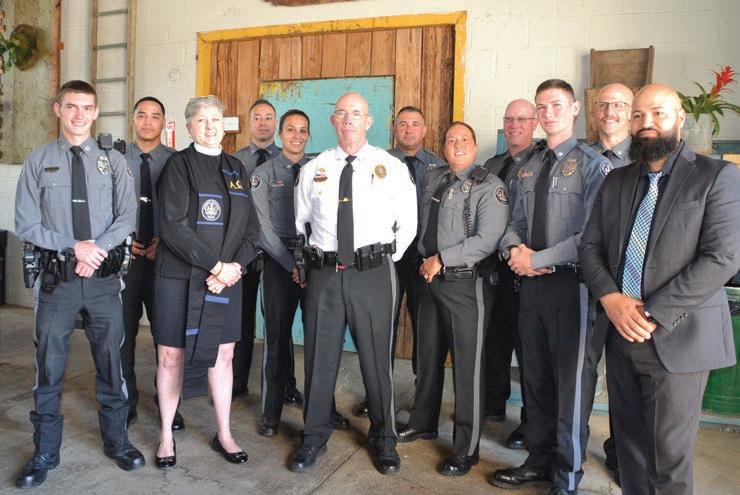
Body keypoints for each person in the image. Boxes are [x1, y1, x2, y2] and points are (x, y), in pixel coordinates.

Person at [579, 83, 740, 495]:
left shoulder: (716, 176)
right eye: (638, 115)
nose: (646, 122)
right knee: (628, 451)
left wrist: (649, 312)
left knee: (668, 458)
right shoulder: (617, 181)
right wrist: (612, 300)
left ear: (680, 118)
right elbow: (591, 247)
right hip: (621, 334)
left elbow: (722, 258)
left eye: (658, 113)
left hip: (678, 337)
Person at [14, 80, 144, 488]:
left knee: (111, 363)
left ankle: (117, 440)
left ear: (96, 112)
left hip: (103, 281)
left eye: (87, 108)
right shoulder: (38, 161)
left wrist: (96, 250)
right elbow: (26, 224)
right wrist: (74, 247)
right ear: (58, 110)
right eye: (71, 106)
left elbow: (127, 216)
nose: (79, 115)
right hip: (58, 283)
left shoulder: (113, 161)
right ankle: (45, 451)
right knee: (49, 368)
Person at [490, 79, 610, 495]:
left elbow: (592, 235)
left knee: (570, 387)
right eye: (541, 107)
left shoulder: (593, 165)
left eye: (557, 105)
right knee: (536, 377)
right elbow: (514, 222)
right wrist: (514, 251)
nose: (548, 113)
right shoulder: (531, 164)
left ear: (574, 109)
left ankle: (566, 476)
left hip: (571, 289)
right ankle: (538, 460)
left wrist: (536, 260)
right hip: (531, 288)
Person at [291, 92, 416, 475]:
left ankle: (384, 439)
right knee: (319, 357)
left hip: (372, 273)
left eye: (356, 113)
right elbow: (301, 221)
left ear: (369, 121)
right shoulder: (315, 168)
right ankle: (313, 436)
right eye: (342, 113)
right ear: (333, 121)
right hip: (325, 274)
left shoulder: (390, 166)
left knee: (377, 361)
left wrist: (380, 260)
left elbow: (408, 223)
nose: (348, 120)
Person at [397, 122, 509, 476]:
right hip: (428, 281)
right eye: (450, 140)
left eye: (464, 139)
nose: (457, 144)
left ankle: (466, 449)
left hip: (465, 285)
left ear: (474, 146)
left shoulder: (490, 186)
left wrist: (442, 259)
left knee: (467, 368)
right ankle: (423, 422)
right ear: (442, 146)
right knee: (427, 357)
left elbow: (488, 239)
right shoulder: (433, 178)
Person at [153, 95, 256, 468]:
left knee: (223, 355)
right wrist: (216, 266)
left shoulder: (236, 168)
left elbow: (252, 230)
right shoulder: (178, 166)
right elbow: (173, 227)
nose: (210, 126)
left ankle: (224, 432)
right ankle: (166, 435)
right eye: (201, 120)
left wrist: (233, 268)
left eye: (216, 119)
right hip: (179, 278)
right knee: (171, 357)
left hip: (226, 280)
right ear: (189, 126)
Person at [249, 109, 348, 437]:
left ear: (309, 135)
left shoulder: (321, 170)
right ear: (280, 135)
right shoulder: (263, 174)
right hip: (279, 265)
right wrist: (292, 265)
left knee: (321, 340)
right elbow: (262, 229)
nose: (297, 135)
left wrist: (307, 261)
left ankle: (324, 409)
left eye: (303, 130)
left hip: (315, 261)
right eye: (290, 129)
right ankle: (271, 413)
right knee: (277, 340)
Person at [354, 105, 446, 418]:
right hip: (385, 257)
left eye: (415, 124)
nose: (408, 129)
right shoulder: (376, 162)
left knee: (425, 330)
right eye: (403, 124)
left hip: (422, 259)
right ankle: (377, 394)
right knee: (381, 327)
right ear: (395, 129)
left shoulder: (439, 167)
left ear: (425, 129)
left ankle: (422, 399)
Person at [120, 96, 185, 432]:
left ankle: (168, 402)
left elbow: (185, 210)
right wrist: (121, 240)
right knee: (123, 335)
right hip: (126, 261)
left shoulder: (177, 162)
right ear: (133, 120)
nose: (148, 121)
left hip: (164, 261)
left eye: (155, 116)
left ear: (164, 122)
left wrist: (165, 240)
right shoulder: (114, 159)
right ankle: (125, 401)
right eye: (142, 115)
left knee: (167, 335)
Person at [233, 99, 304, 404]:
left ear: (277, 125)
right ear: (249, 122)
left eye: (268, 118)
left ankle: (286, 385)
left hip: (277, 255)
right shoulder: (235, 161)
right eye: (257, 118)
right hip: (245, 251)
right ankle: (237, 383)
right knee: (242, 318)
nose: (263, 123)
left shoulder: (289, 157)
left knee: (279, 322)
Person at [482, 99, 539, 451]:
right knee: (495, 338)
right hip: (493, 266)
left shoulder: (543, 162)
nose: (514, 125)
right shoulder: (492, 164)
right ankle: (493, 404)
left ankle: (530, 423)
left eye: (522, 119)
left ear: (534, 123)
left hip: (526, 264)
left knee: (529, 347)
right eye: (509, 119)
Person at [588, 82, 634, 483]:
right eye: (603, 105)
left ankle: (622, 455)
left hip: (630, 291)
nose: (610, 112)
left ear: (631, 112)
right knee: (579, 373)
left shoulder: (646, 159)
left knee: (625, 380)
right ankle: (568, 448)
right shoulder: (582, 158)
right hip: (584, 282)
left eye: (619, 105)